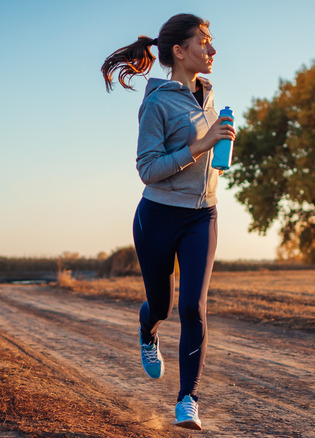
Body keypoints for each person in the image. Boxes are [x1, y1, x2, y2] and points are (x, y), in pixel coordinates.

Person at [100, 13, 235, 430]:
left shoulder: (209, 94)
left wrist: (221, 145)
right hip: (158, 216)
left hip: (202, 216)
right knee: (162, 304)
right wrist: (202, 144)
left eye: (211, 42)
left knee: (193, 305)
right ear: (179, 51)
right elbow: (148, 169)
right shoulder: (156, 103)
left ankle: (187, 401)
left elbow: (204, 153)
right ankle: (147, 331)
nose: (212, 49)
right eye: (204, 42)